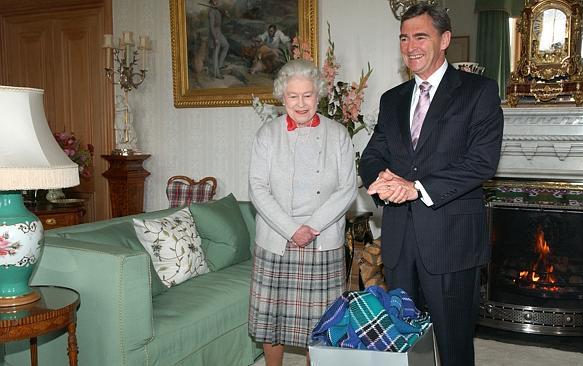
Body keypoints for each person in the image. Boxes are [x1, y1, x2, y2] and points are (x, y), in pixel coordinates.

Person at [358, 3, 504, 366]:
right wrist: (383, 180)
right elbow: (371, 156)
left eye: (420, 36)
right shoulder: (391, 99)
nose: (410, 46)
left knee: (454, 345)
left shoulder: (478, 91)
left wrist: (416, 187)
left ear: (445, 40)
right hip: (399, 241)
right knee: (406, 341)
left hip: (451, 240)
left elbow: (481, 162)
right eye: (404, 38)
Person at [248, 59, 357, 366]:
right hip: (276, 241)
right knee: (272, 322)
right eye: (293, 96)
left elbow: (347, 188)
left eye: (307, 95)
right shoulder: (266, 135)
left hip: (322, 242)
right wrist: (291, 228)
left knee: (320, 323)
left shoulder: (338, 134)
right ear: (283, 97)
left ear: (318, 95)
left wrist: (312, 226)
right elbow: (257, 188)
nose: (300, 103)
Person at [208, 0, 229, 78]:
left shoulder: (218, 9)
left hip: (219, 31)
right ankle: (216, 74)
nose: (216, 1)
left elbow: (225, 16)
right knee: (216, 52)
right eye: (214, 0)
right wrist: (215, 38)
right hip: (214, 33)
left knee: (226, 45)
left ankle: (220, 65)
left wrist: (225, 13)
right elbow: (211, 27)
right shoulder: (211, 11)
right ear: (211, 1)